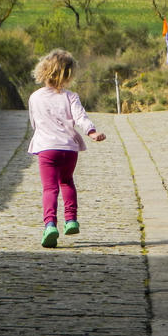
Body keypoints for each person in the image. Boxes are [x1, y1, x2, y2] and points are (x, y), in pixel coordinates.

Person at [27, 49, 106, 248]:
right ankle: (71, 220)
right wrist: (92, 132)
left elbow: (34, 123)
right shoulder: (71, 97)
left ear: (43, 71)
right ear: (68, 74)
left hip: (46, 148)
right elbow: (81, 117)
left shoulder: (35, 97)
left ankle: (50, 225)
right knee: (67, 182)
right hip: (69, 149)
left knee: (50, 188)